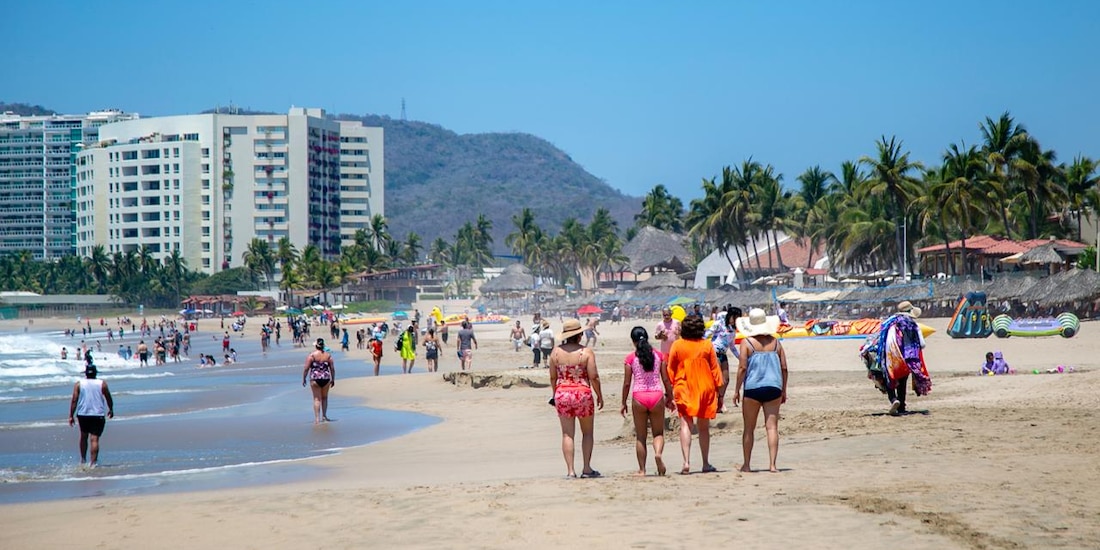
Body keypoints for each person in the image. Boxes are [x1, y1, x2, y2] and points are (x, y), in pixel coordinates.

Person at [666, 315, 722, 474]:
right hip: (705, 387)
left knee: (685, 424)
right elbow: (715, 369)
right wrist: (719, 393)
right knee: (703, 428)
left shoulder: (677, 345)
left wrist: (670, 391)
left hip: (683, 386)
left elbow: (670, 369)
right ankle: (705, 463)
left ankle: (686, 462)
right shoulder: (707, 345)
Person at [734, 308, 789, 473]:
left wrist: (737, 389)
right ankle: (772, 465)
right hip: (774, 387)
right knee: (772, 427)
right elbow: (784, 367)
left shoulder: (747, 343)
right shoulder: (776, 343)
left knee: (749, 428)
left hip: (753, 388)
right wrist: (784, 389)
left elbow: (743, 367)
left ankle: (747, 465)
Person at [549, 319, 604, 478]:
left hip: (563, 393)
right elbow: (594, 376)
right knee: (587, 433)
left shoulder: (556, 352)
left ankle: (570, 471)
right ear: (579, 335)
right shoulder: (586, 352)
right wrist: (599, 394)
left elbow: (553, 377)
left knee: (567, 434)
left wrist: (555, 394)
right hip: (582, 393)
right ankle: (586, 468)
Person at [620, 327, 674, 476]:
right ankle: (658, 454)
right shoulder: (659, 356)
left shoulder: (630, 358)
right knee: (658, 433)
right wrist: (670, 396)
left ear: (633, 341)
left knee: (641, 436)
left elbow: (626, 383)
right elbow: (665, 379)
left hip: (639, 397)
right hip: (656, 395)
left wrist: (623, 402)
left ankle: (642, 470)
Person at [875, 301, 932, 415]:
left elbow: (882, 339)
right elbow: (922, 344)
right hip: (909, 358)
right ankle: (901, 406)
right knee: (902, 381)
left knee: (889, 378)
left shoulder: (890, 323)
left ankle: (893, 399)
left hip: (892, 356)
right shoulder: (914, 325)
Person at [68, 363, 114, 467]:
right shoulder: (102, 383)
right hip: (97, 414)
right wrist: (111, 409)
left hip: (83, 414)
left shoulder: (79, 384)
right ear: (95, 373)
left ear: (86, 374)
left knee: (83, 436)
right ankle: (93, 463)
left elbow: (74, 400)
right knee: (94, 439)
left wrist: (71, 415)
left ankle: (83, 460)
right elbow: (108, 397)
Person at [704, 306, 741, 413]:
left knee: (726, 379)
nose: (736, 320)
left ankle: (720, 400)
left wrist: (740, 358)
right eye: (735, 318)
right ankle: (714, 402)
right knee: (718, 379)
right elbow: (707, 334)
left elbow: (732, 346)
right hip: (714, 352)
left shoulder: (733, 329)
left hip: (723, 354)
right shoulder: (719, 324)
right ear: (730, 316)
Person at [302, 338, 335, 424]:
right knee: (324, 398)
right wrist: (333, 379)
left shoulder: (312, 355)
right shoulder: (328, 355)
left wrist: (304, 378)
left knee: (316, 399)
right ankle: (324, 416)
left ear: (316, 346)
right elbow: (332, 368)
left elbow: (306, 368)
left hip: (315, 378)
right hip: (326, 378)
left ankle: (317, 419)